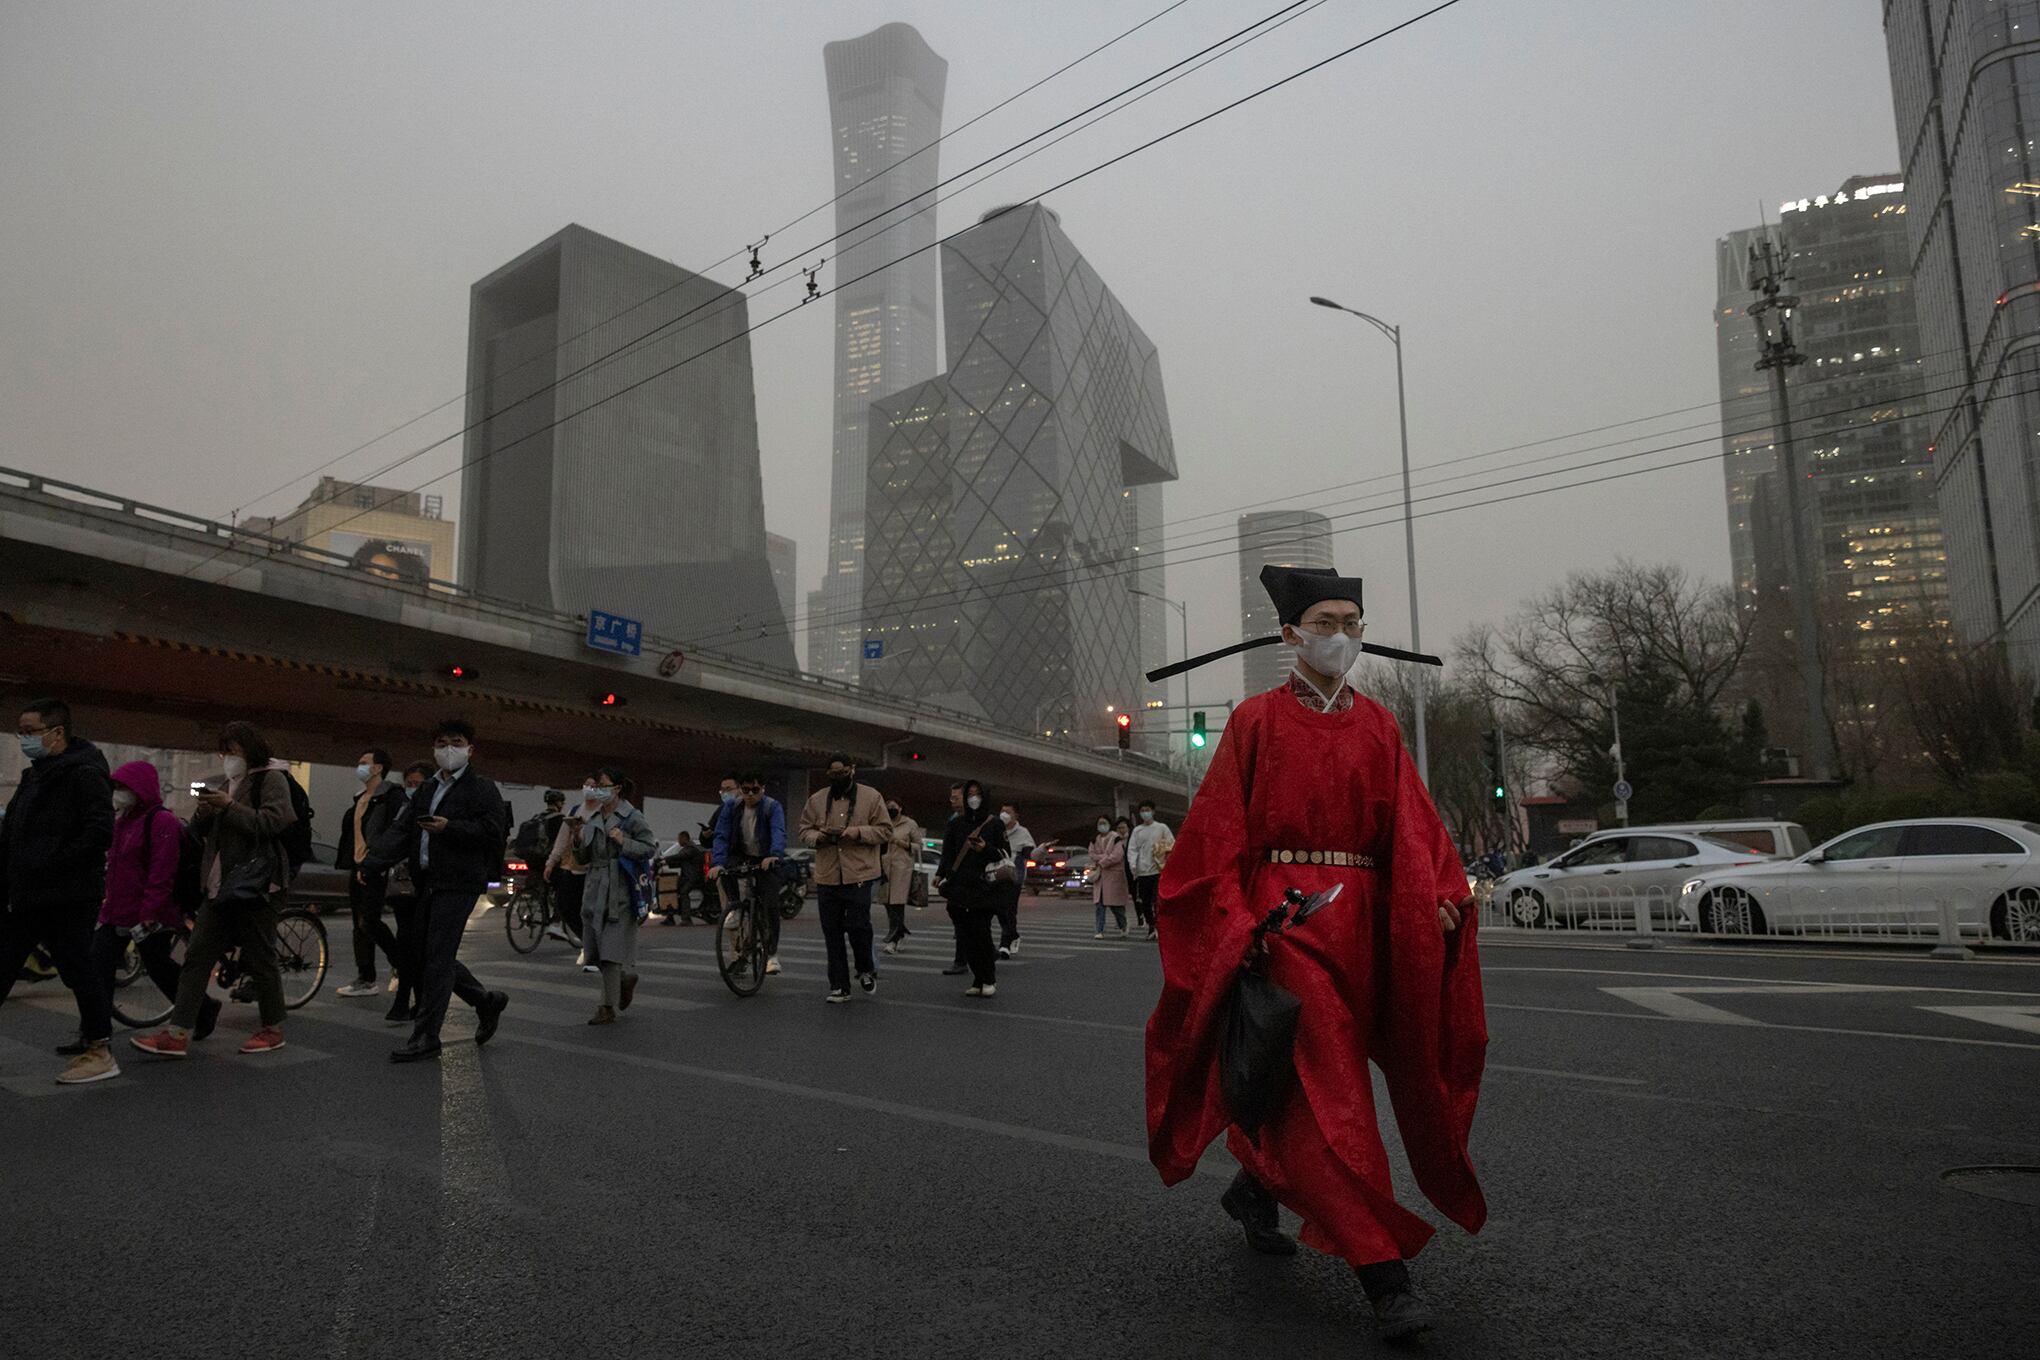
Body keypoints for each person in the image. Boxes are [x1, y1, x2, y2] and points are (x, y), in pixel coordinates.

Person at [1144, 565, 1485, 1343]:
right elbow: (1216, 839)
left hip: (1371, 924)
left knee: (1309, 1088)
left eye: (1354, 622)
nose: (1343, 636)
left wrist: (1439, 891)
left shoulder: (1379, 727)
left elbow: (1416, 827)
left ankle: (1257, 1187)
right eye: (1327, 622)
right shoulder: (1255, 723)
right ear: (1291, 634)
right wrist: (1239, 921)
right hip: (1287, 924)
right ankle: (1382, 1273)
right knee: (1332, 1091)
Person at [132, 721, 297, 1060]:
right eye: (223, 751)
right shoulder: (226, 784)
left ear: (249, 750)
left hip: (257, 885)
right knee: (196, 957)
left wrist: (228, 807)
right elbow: (199, 834)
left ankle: (272, 1028)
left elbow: (273, 822)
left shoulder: (271, 779)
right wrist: (204, 813)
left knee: (259, 958)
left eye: (232, 751)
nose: (227, 758)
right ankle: (178, 1033)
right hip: (219, 887)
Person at [367, 717, 510, 1064]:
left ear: (470, 749)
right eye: (443, 743)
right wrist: (371, 863)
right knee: (424, 953)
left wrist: (451, 828)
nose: (449, 749)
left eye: (456, 742)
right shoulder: (428, 789)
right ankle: (484, 1000)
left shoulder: (482, 789)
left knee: (437, 958)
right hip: (428, 881)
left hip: (460, 881)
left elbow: (494, 832)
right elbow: (403, 830)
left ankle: (426, 1035)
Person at [0, 699, 118, 1084]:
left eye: (30, 731)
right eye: (21, 731)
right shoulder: (36, 775)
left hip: (69, 894)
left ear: (56, 732)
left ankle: (100, 1049)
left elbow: (98, 833)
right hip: (29, 893)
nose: (24, 738)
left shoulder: (84, 774)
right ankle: (93, 1040)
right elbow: (14, 832)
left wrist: (49, 862)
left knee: (77, 967)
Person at [77, 761, 217, 1057]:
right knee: (97, 969)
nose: (118, 793)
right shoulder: (123, 820)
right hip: (116, 912)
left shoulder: (160, 822)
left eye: (124, 787)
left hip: (147, 916)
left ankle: (203, 1009)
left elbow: (161, 873)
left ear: (140, 789)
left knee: (159, 969)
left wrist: (149, 914)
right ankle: (93, 1036)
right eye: (116, 787)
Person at [797, 753, 891, 1003]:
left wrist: (855, 832)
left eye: (842, 772)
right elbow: (804, 830)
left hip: (860, 872)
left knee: (858, 925)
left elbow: (885, 831)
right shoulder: (816, 800)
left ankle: (866, 968)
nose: (838, 777)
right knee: (832, 932)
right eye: (832, 774)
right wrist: (820, 837)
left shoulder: (871, 797)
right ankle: (839, 985)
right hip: (828, 874)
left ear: (852, 770)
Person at [570, 769, 656, 1024]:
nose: (598, 790)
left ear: (617, 788)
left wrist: (624, 842)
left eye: (604, 786)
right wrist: (577, 837)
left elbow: (649, 847)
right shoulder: (593, 816)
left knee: (610, 951)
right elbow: (583, 859)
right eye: (597, 785)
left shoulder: (631, 816)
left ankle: (606, 1007)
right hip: (594, 889)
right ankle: (623, 979)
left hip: (621, 890)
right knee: (596, 949)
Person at [335, 748, 409, 999]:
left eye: (364, 762)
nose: (359, 766)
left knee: (370, 920)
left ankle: (401, 963)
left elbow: (394, 834)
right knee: (359, 924)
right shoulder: (360, 798)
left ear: (378, 768)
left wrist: (375, 862)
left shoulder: (391, 796)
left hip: (377, 867)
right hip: (358, 866)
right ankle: (366, 978)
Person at [710, 773, 785, 973]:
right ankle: (735, 909)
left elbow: (778, 831)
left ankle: (771, 954)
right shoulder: (731, 807)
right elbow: (721, 835)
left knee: (770, 905)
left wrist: (774, 855)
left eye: (755, 790)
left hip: (766, 858)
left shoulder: (772, 807)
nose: (750, 795)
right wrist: (718, 863)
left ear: (763, 789)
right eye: (745, 790)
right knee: (725, 871)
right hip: (741, 854)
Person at [938, 780, 1005, 998]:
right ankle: (977, 979)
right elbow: (948, 853)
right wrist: (942, 875)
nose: (973, 798)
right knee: (965, 936)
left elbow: (1004, 855)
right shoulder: (956, 824)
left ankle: (988, 978)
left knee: (981, 935)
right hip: (959, 889)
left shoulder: (994, 824)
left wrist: (986, 848)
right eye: (970, 795)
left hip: (983, 888)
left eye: (977, 794)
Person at [934, 782, 971, 977]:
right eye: (951, 797)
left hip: (976, 878)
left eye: (955, 797)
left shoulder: (983, 820)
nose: (952, 801)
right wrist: (940, 874)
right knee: (958, 915)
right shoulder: (953, 821)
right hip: (957, 878)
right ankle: (962, 959)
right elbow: (947, 851)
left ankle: (970, 957)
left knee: (974, 919)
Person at [1127, 800, 1174, 941]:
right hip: (1143, 871)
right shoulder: (1137, 830)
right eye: (1142, 810)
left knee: (1156, 901)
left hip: (1158, 871)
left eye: (1147, 810)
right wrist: (1133, 866)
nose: (1145, 813)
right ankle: (1151, 927)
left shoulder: (1162, 828)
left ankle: (1160, 927)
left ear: (1153, 811)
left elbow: (1172, 844)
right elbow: (1132, 849)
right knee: (1145, 902)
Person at [880, 797, 921, 954]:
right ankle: (901, 932)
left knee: (897, 905)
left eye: (893, 806)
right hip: (884, 869)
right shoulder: (882, 823)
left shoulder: (910, 824)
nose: (890, 809)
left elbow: (918, 846)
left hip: (901, 869)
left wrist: (902, 843)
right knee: (887, 903)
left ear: (900, 808)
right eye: (887, 806)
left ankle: (893, 940)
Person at [994, 803, 1035, 958]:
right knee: (998, 910)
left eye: (1008, 812)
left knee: (1009, 910)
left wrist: (1035, 851)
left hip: (1013, 878)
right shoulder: (995, 828)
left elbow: (1030, 853)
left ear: (1016, 815)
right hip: (996, 875)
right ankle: (1014, 934)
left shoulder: (1023, 832)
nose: (1004, 814)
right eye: (1002, 810)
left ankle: (1004, 945)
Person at [1090, 814, 1132, 939]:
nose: (1102, 826)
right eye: (1100, 823)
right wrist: (1104, 858)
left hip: (1114, 876)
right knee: (1100, 905)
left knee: (1116, 906)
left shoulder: (1115, 838)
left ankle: (1123, 925)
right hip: (1101, 877)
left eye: (1104, 823)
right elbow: (1092, 854)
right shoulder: (1095, 839)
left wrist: (1102, 861)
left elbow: (1117, 855)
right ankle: (1099, 930)